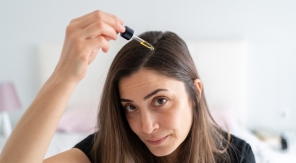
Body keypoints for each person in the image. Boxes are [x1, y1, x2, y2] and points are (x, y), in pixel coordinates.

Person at [0, 10, 255, 163]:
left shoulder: (236, 155)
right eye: (131, 107)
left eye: (160, 100)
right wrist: (64, 76)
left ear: (194, 93)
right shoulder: (105, 150)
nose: (146, 127)